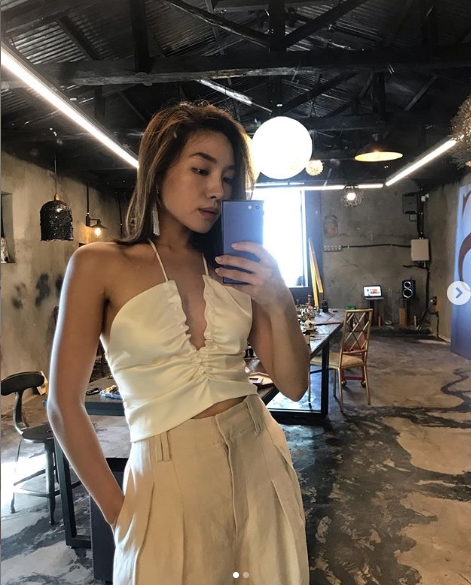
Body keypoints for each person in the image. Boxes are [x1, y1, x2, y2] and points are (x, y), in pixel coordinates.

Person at [47, 101, 310, 585]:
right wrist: (120, 516)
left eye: (227, 178)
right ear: (158, 170)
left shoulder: (234, 268)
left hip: (259, 457)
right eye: (201, 170)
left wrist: (278, 298)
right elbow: (63, 405)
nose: (217, 190)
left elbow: (293, 386)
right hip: (165, 476)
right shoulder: (99, 264)